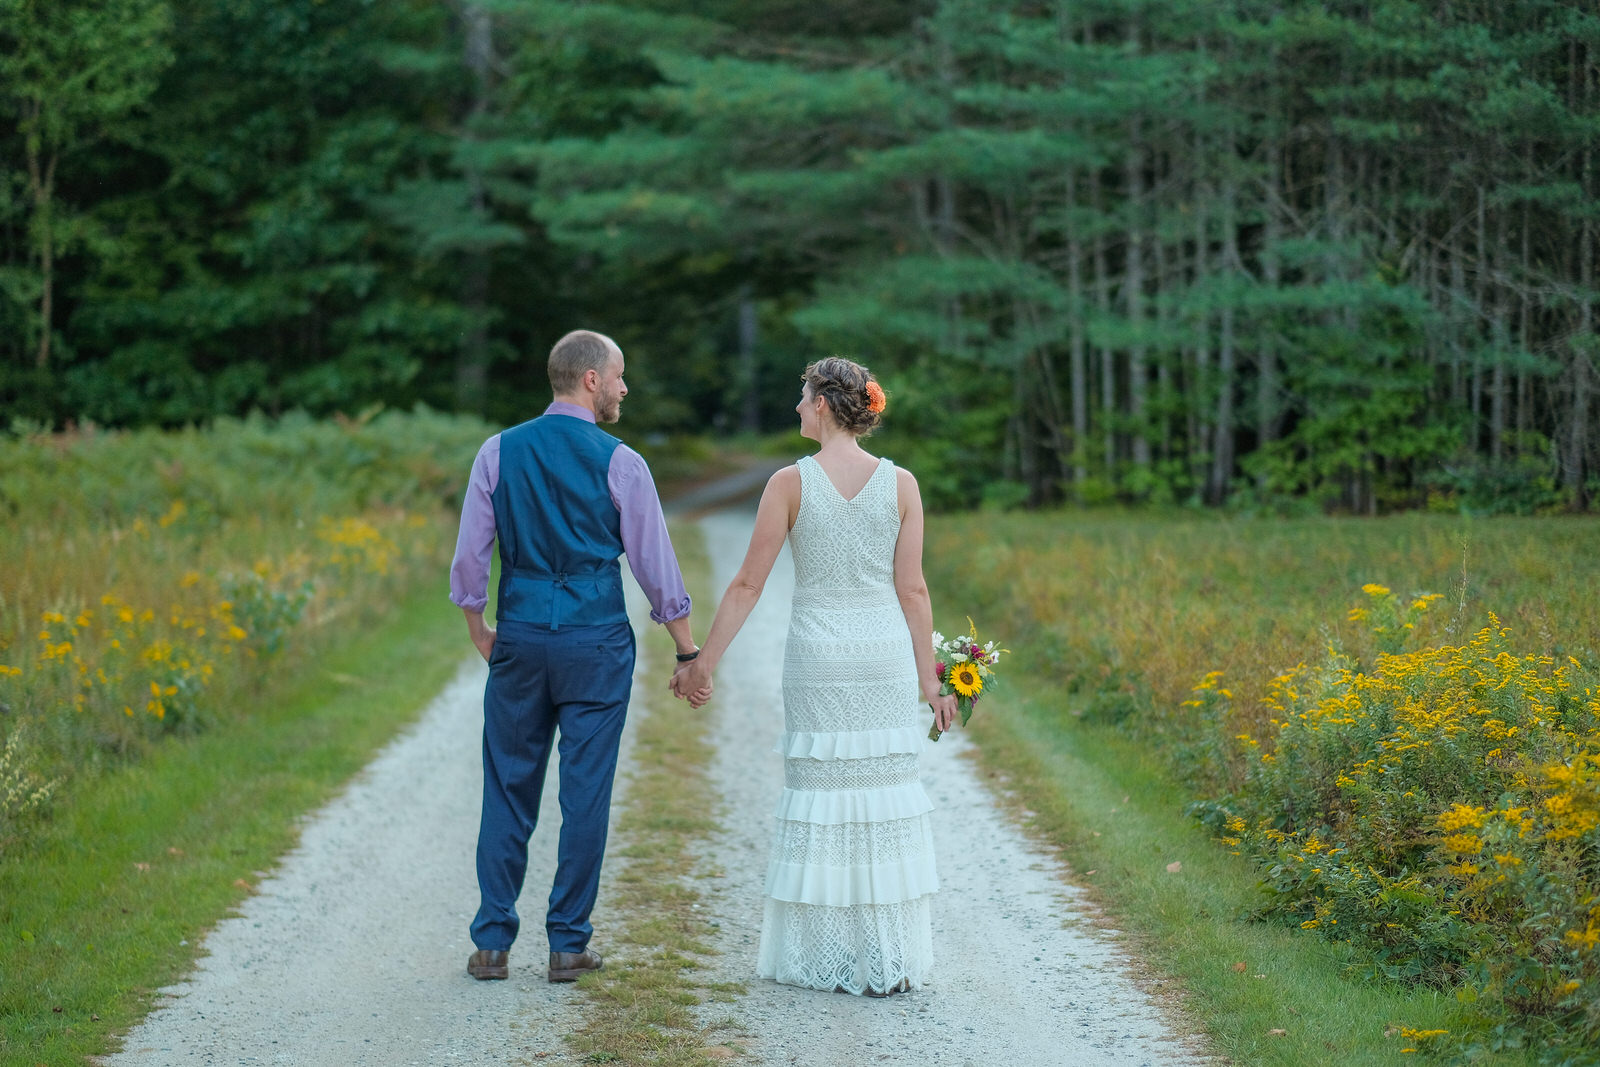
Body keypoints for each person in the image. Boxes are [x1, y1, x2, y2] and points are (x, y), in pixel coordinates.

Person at [670, 356, 957, 996]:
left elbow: (748, 584)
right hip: (882, 658)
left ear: (824, 405)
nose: (798, 408)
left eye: (803, 398)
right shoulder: (902, 484)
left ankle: (825, 959)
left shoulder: (788, 483)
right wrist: (929, 682)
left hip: (819, 661)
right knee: (881, 805)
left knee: (823, 804)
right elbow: (913, 590)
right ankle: (885, 961)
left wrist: (703, 662)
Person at [449, 329, 705, 983]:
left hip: (523, 632)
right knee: (586, 788)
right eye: (619, 375)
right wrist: (686, 648)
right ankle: (567, 942)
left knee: (508, 782)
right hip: (594, 640)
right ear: (590, 379)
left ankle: (492, 940)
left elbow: (472, 552)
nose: (624, 387)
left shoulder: (497, 451)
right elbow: (654, 564)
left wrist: (478, 623)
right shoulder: (620, 460)